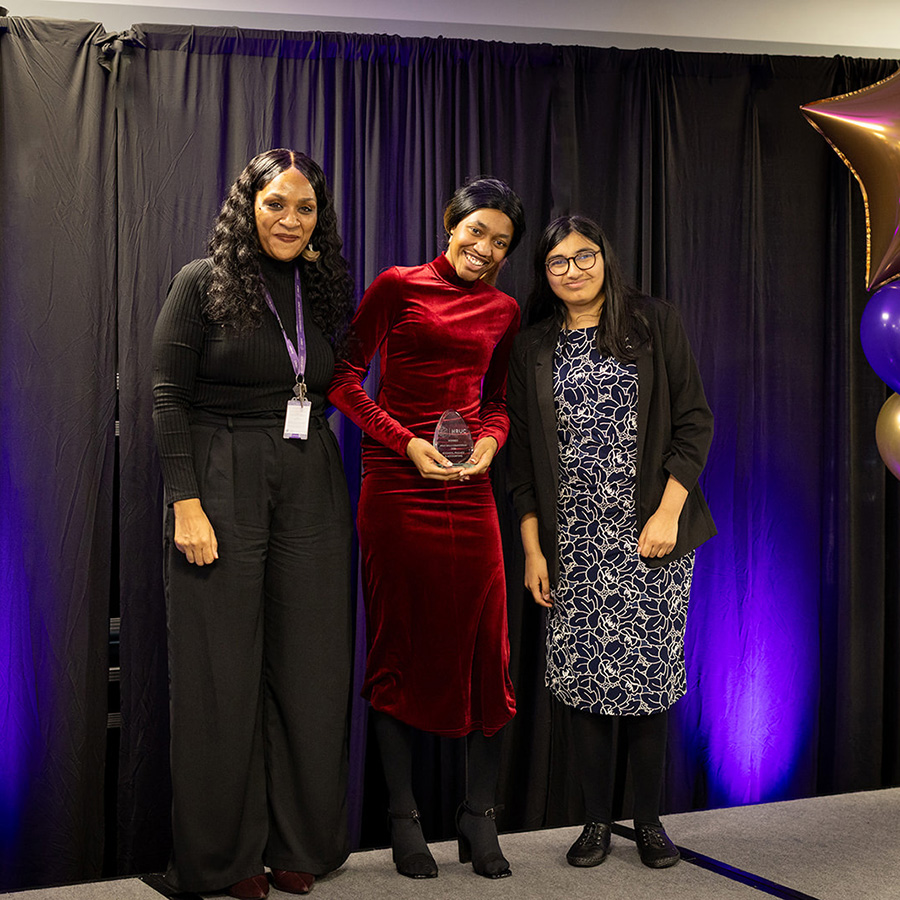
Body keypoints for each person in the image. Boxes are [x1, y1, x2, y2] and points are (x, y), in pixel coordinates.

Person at [152, 149, 355, 899]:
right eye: (276, 204)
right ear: (249, 206)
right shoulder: (201, 282)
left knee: (311, 665)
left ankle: (298, 844)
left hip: (309, 478)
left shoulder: (325, 288)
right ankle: (228, 858)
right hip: (220, 474)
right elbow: (166, 396)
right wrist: (185, 503)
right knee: (221, 671)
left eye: (305, 209)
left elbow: (346, 383)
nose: (291, 220)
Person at [328, 177, 525, 880]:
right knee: (400, 642)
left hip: (470, 491)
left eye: (500, 242)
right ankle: (404, 819)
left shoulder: (505, 308)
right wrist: (404, 443)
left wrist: (490, 446)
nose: (485, 248)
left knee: (487, 647)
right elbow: (344, 381)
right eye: (477, 231)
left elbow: (497, 402)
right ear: (451, 223)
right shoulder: (397, 286)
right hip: (396, 484)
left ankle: (479, 815)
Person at [507, 215, 715, 870]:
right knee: (585, 686)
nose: (573, 270)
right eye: (557, 263)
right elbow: (520, 466)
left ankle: (649, 822)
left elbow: (694, 421)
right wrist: (534, 551)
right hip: (573, 547)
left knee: (647, 684)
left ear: (606, 258)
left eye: (584, 256)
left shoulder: (654, 322)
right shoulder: (533, 346)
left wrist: (668, 515)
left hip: (651, 539)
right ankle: (596, 821)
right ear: (545, 274)